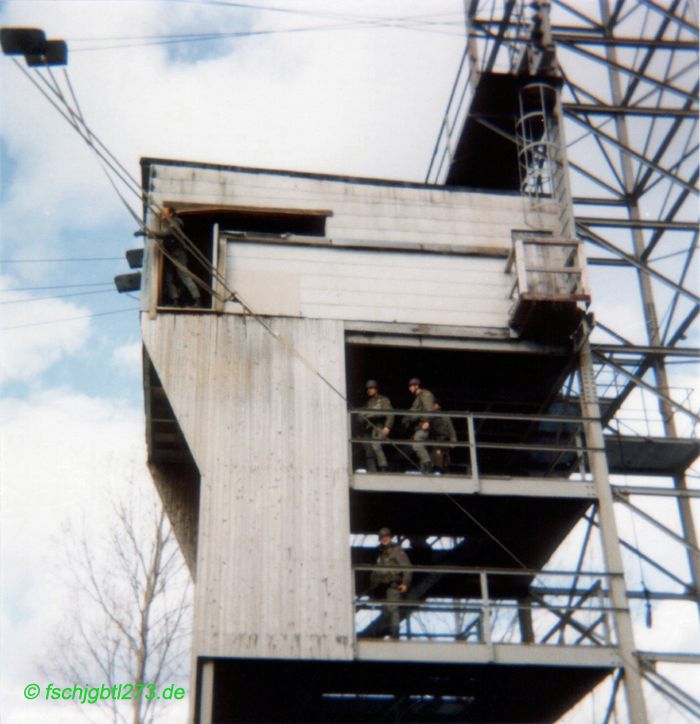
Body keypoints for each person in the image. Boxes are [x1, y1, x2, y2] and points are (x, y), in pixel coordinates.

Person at [150, 206, 201, 307]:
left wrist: (149, 233)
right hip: (169, 253)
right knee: (167, 277)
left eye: (164, 212)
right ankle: (175, 300)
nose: (161, 214)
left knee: (183, 275)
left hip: (178, 253)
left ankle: (197, 300)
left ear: (171, 214)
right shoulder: (165, 223)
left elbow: (168, 233)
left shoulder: (176, 222)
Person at [368, 527, 412, 639]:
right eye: (382, 537)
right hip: (380, 586)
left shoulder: (396, 550)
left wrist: (405, 583)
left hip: (392, 584)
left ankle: (395, 635)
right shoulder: (379, 552)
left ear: (390, 537)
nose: (384, 539)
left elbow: (407, 568)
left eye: (386, 536)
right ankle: (380, 633)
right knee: (386, 611)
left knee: (393, 609)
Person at [360, 380, 394, 473]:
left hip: (381, 427)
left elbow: (390, 414)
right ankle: (372, 470)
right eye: (368, 389)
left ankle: (384, 466)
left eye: (371, 388)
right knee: (369, 450)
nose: (369, 390)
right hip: (370, 429)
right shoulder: (368, 403)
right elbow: (361, 417)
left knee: (376, 444)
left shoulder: (383, 400)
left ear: (376, 389)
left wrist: (388, 426)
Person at [404, 377, 435, 473]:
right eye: (409, 386)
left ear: (417, 386)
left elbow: (429, 409)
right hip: (418, 426)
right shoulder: (417, 398)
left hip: (424, 425)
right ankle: (424, 467)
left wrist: (427, 421)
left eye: (411, 386)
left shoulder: (425, 394)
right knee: (420, 445)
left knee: (417, 442)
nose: (410, 388)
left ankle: (427, 463)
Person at [430, 399, 457, 474]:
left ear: (438, 406)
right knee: (435, 457)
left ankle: (443, 470)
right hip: (434, 440)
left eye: (434, 404)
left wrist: (453, 440)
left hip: (443, 440)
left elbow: (451, 428)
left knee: (443, 458)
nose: (433, 406)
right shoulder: (430, 416)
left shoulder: (444, 416)